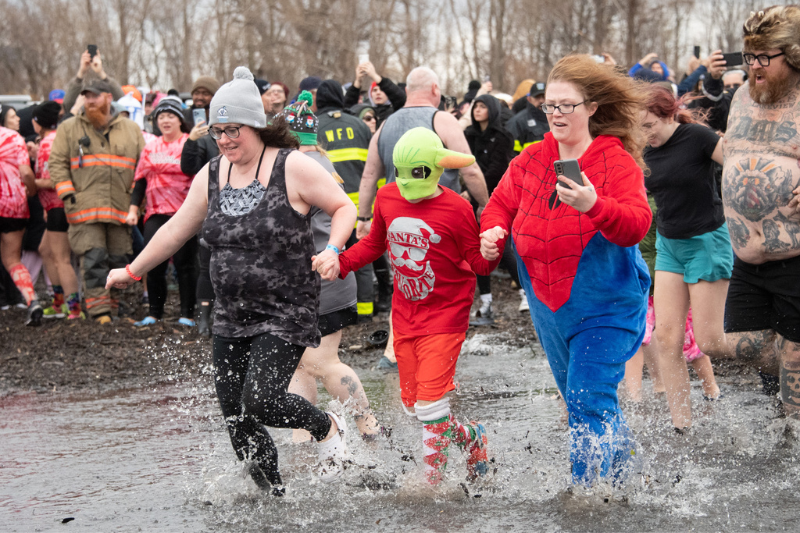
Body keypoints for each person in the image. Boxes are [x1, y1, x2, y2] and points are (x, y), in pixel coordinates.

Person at [106, 67, 356, 492]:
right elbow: (174, 229)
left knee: (262, 400)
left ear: (256, 125)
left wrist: (332, 249)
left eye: (233, 130)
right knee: (237, 420)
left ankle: (327, 426)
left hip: (285, 309)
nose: (223, 139)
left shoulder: (291, 166)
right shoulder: (213, 173)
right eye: (217, 130)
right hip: (231, 314)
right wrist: (134, 269)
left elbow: (343, 206)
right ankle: (274, 497)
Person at [480, 55, 652, 486]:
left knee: (585, 399)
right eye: (550, 106)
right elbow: (499, 205)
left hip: (606, 303)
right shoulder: (531, 160)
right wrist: (493, 231)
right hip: (547, 303)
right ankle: (626, 478)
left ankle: (587, 494)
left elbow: (636, 226)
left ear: (592, 107)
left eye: (566, 106)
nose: (555, 114)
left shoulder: (616, 162)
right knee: (583, 402)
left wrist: (594, 205)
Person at [316, 127, 495, 485]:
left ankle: (432, 484)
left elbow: (478, 264)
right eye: (402, 174)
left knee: (431, 404)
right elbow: (374, 244)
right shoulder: (386, 197)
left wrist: (491, 252)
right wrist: (341, 262)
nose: (408, 185)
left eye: (417, 175)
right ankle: (472, 437)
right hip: (407, 316)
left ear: (436, 170)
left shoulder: (458, 208)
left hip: (447, 315)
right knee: (417, 408)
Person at [357, 67, 491, 368]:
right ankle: (437, 350)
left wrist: (362, 217)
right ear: (434, 89)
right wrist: (485, 205)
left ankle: (396, 351)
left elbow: (369, 175)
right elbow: (469, 168)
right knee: (445, 285)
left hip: (398, 221)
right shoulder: (441, 118)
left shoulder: (385, 124)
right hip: (440, 222)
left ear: (407, 92)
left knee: (403, 282)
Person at [282, 92, 381, 440]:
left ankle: (367, 425)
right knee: (299, 364)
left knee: (322, 362)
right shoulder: (321, 163)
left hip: (320, 281)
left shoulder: (295, 169)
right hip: (318, 281)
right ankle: (304, 434)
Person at [719, 6, 800, 416]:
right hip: (746, 258)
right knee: (744, 344)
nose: (754, 66)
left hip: (794, 257)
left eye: (764, 57)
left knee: (795, 366)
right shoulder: (740, 97)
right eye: (749, 57)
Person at [640, 86, 729, 429]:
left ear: (669, 115)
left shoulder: (698, 138)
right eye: (639, 129)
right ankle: (682, 426)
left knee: (709, 341)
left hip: (706, 239)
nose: (645, 135)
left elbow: (740, 169)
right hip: (669, 245)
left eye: (649, 125)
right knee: (666, 338)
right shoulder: (645, 150)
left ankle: (778, 351)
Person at [48, 78, 146, 324]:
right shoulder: (69, 128)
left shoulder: (130, 129)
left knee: (119, 259)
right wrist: (69, 196)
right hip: (84, 209)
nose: (89, 101)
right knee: (93, 259)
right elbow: (57, 164)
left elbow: (142, 167)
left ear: (108, 98)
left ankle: (113, 309)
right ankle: (100, 312)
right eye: (86, 96)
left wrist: (136, 200)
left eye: (95, 96)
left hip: (120, 209)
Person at [127, 97, 197, 327]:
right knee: (153, 261)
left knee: (184, 264)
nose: (165, 121)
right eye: (161, 117)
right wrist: (133, 209)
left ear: (180, 120)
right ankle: (154, 312)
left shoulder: (190, 142)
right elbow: (140, 181)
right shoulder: (150, 147)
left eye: (170, 116)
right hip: (155, 211)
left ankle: (187, 314)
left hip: (185, 211)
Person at [314, 79, 376, 323]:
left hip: (331, 207)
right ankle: (365, 312)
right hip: (360, 204)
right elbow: (372, 167)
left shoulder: (315, 126)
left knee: (331, 256)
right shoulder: (360, 125)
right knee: (362, 258)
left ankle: (337, 312)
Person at [464, 94, 526, 322]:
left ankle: (524, 293)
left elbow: (497, 168)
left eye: (482, 106)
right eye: (475, 105)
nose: (477, 110)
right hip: (470, 197)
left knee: (503, 248)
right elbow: (464, 165)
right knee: (478, 247)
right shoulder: (468, 135)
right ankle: (486, 300)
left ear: (492, 109)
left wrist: (476, 193)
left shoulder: (502, 136)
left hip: (496, 197)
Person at [31, 101, 82, 320]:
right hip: (55, 205)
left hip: (59, 204)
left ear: (38, 123)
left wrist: (31, 184)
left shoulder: (47, 143)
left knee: (62, 258)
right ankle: (59, 302)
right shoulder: (56, 138)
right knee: (45, 250)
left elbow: (52, 179)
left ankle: (73, 309)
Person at [0, 106, 41, 325]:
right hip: (13, 205)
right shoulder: (15, 139)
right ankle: (32, 300)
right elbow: (26, 172)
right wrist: (32, 190)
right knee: (12, 259)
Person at [62, 49, 125, 114]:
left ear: (108, 99)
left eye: (95, 96)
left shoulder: (110, 116)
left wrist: (101, 72)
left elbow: (121, 100)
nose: (91, 101)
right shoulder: (81, 118)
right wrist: (81, 72)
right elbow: (67, 104)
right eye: (87, 97)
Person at [344, 61, 406, 127]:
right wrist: (358, 81)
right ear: (370, 94)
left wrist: (374, 75)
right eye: (374, 90)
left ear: (388, 92)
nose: (378, 93)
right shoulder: (365, 110)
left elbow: (400, 98)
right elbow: (348, 108)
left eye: (382, 90)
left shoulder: (395, 111)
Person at [506, 82, 550, 153]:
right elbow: (511, 154)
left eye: (544, 96)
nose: (541, 100)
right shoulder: (518, 122)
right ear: (529, 99)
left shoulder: (557, 117)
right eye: (537, 97)